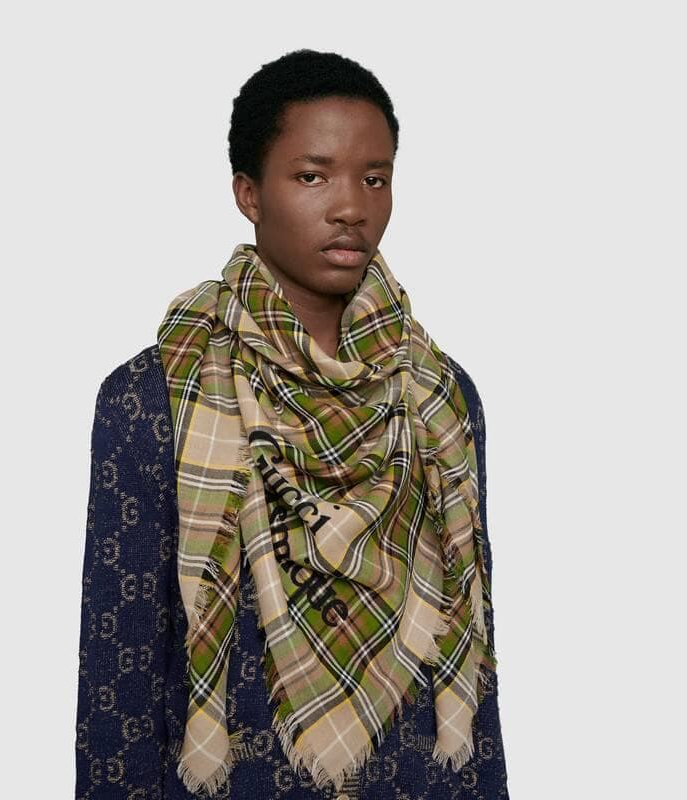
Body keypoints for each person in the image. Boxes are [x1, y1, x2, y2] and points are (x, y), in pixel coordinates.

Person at [76, 49, 510, 800]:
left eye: (374, 178)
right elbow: (120, 681)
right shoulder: (153, 396)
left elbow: (471, 651)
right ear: (249, 193)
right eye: (312, 176)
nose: (351, 208)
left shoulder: (440, 396)